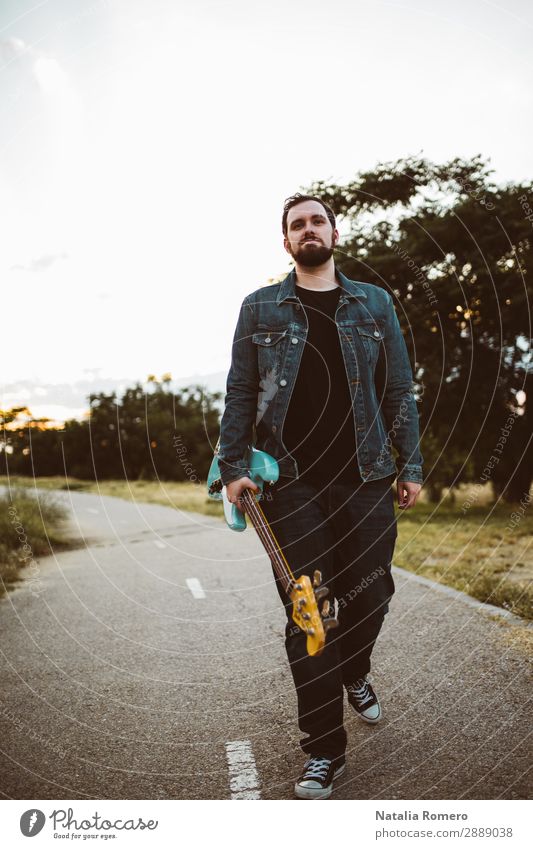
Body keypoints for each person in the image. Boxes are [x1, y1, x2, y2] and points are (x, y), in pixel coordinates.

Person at [217, 193, 423, 799]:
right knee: (309, 610)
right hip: (293, 485)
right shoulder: (260, 308)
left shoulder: (375, 303)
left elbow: (400, 388)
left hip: (366, 478)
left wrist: (409, 464)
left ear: (335, 233)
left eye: (316, 221)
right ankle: (323, 752)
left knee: (374, 591)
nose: (308, 230)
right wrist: (233, 467)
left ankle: (355, 669)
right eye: (296, 225)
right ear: (286, 242)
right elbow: (239, 392)